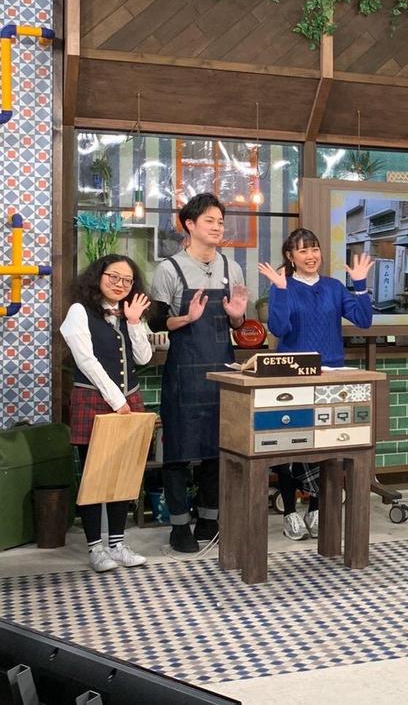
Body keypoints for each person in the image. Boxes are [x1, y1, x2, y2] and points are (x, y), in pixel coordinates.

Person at [258, 228, 373, 540]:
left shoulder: (333, 287)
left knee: (326, 443)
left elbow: (364, 321)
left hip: (331, 374)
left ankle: (317, 508)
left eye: (314, 249)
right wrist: (281, 290)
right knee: (289, 445)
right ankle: (290, 513)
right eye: (303, 250)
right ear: (290, 256)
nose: (311, 256)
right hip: (293, 376)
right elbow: (279, 328)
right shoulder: (283, 285)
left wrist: (360, 284)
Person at [149, 194, 248, 553]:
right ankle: (179, 527)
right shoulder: (169, 269)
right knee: (177, 450)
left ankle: (209, 520)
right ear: (189, 225)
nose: (218, 227)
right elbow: (157, 322)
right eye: (210, 220)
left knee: (216, 448)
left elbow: (238, 325)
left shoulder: (231, 268)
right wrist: (187, 318)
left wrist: (237, 317)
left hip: (222, 370)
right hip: (184, 374)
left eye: (220, 221)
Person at [60, 255, 153, 572]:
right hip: (94, 398)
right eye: (113, 277)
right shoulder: (79, 311)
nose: (119, 284)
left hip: (129, 398)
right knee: (94, 475)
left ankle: (117, 544)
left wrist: (135, 323)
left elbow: (144, 357)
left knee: (123, 473)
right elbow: (86, 361)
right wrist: (116, 400)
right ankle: (95, 548)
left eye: (127, 280)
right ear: (98, 276)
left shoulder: (129, 313)